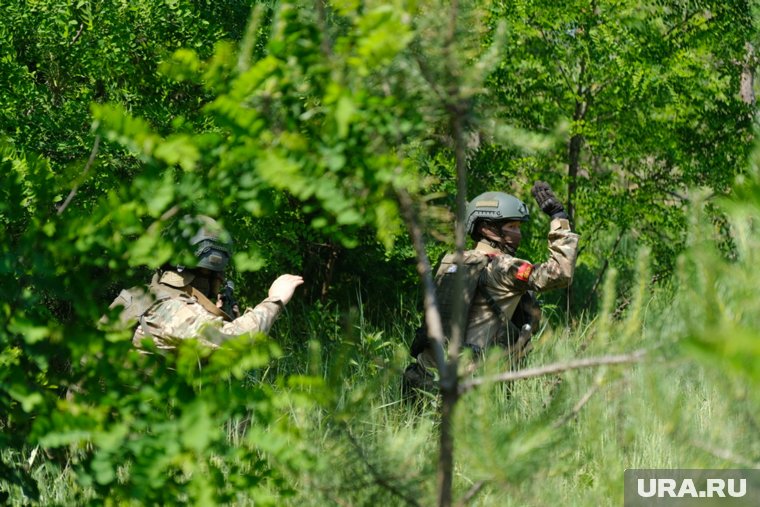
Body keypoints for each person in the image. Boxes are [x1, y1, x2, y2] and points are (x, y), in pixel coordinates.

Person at [404, 181, 579, 392]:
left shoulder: (451, 261)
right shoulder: (503, 266)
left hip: (424, 375)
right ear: (487, 228)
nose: (518, 234)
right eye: (511, 227)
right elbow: (560, 273)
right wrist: (559, 218)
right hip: (469, 381)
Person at [107, 215, 304, 351]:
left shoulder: (142, 295)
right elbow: (233, 341)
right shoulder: (171, 309)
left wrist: (211, 312)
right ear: (205, 274)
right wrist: (275, 300)